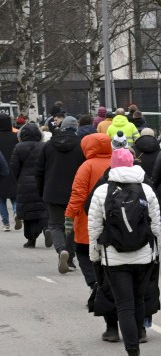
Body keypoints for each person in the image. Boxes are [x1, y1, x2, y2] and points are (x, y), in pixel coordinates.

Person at [87, 148, 161, 356]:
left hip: (114, 257)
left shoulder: (102, 191)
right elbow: (156, 225)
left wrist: (94, 255)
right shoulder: (146, 189)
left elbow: (94, 227)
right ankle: (138, 339)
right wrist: (155, 252)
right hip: (143, 255)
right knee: (138, 300)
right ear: (133, 164)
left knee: (124, 306)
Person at [66, 133, 116, 339]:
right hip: (115, 224)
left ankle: (94, 285)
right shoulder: (117, 162)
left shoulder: (86, 167)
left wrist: (69, 215)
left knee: (84, 254)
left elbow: (78, 193)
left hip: (88, 221)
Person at [36, 116, 86, 273]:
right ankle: (70, 259)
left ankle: (60, 250)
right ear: (75, 127)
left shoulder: (49, 145)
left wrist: (41, 191)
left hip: (52, 191)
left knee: (55, 225)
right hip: (75, 192)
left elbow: (39, 171)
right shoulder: (81, 146)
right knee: (72, 226)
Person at [11, 124, 48, 249]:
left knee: (28, 213)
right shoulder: (44, 146)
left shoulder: (18, 147)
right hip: (42, 181)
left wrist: (19, 179)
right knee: (43, 209)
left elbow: (14, 167)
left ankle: (31, 240)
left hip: (24, 183)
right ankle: (46, 228)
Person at [0, 113, 18, 232]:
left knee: (1, 199)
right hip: (14, 170)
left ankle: (6, 223)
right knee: (14, 196)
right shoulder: (16, 136)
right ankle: (17, 213)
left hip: (1, 172)